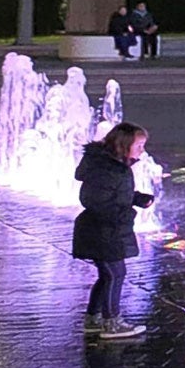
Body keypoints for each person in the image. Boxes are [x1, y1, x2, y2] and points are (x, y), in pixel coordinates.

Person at [75, 122, 154, 341]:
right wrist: (123, 215)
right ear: (124, 144)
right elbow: (92, 199)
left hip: (103, 229)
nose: (142, 151)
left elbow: (112, 194)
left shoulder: (113, 166)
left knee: (108, 274)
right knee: (115, 274)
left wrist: (137, 199)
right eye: (139, 146)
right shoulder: (108, 168)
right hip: (103, 230)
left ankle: (93, 318)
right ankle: (112, 323)